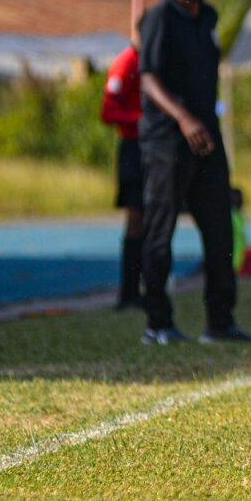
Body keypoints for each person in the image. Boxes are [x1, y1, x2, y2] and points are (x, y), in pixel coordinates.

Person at [137, 0, 251, 345]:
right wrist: (183, 118)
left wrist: (202, 122)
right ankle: (158, 323)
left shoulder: (208, 18)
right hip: (167, 139)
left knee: (220, 229)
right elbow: (148, 78)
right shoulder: (158, 19)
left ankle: (219, 322)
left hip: (206, 137)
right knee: (160, 229)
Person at [100, 33, 144, 309]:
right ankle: (128, 293)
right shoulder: (126, 63)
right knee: (136, 218)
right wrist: (141, 120)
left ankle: (142, 290)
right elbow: (107, 112)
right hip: (133, 148)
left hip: (152, 148)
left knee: (151, 218)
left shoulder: (150, 61)